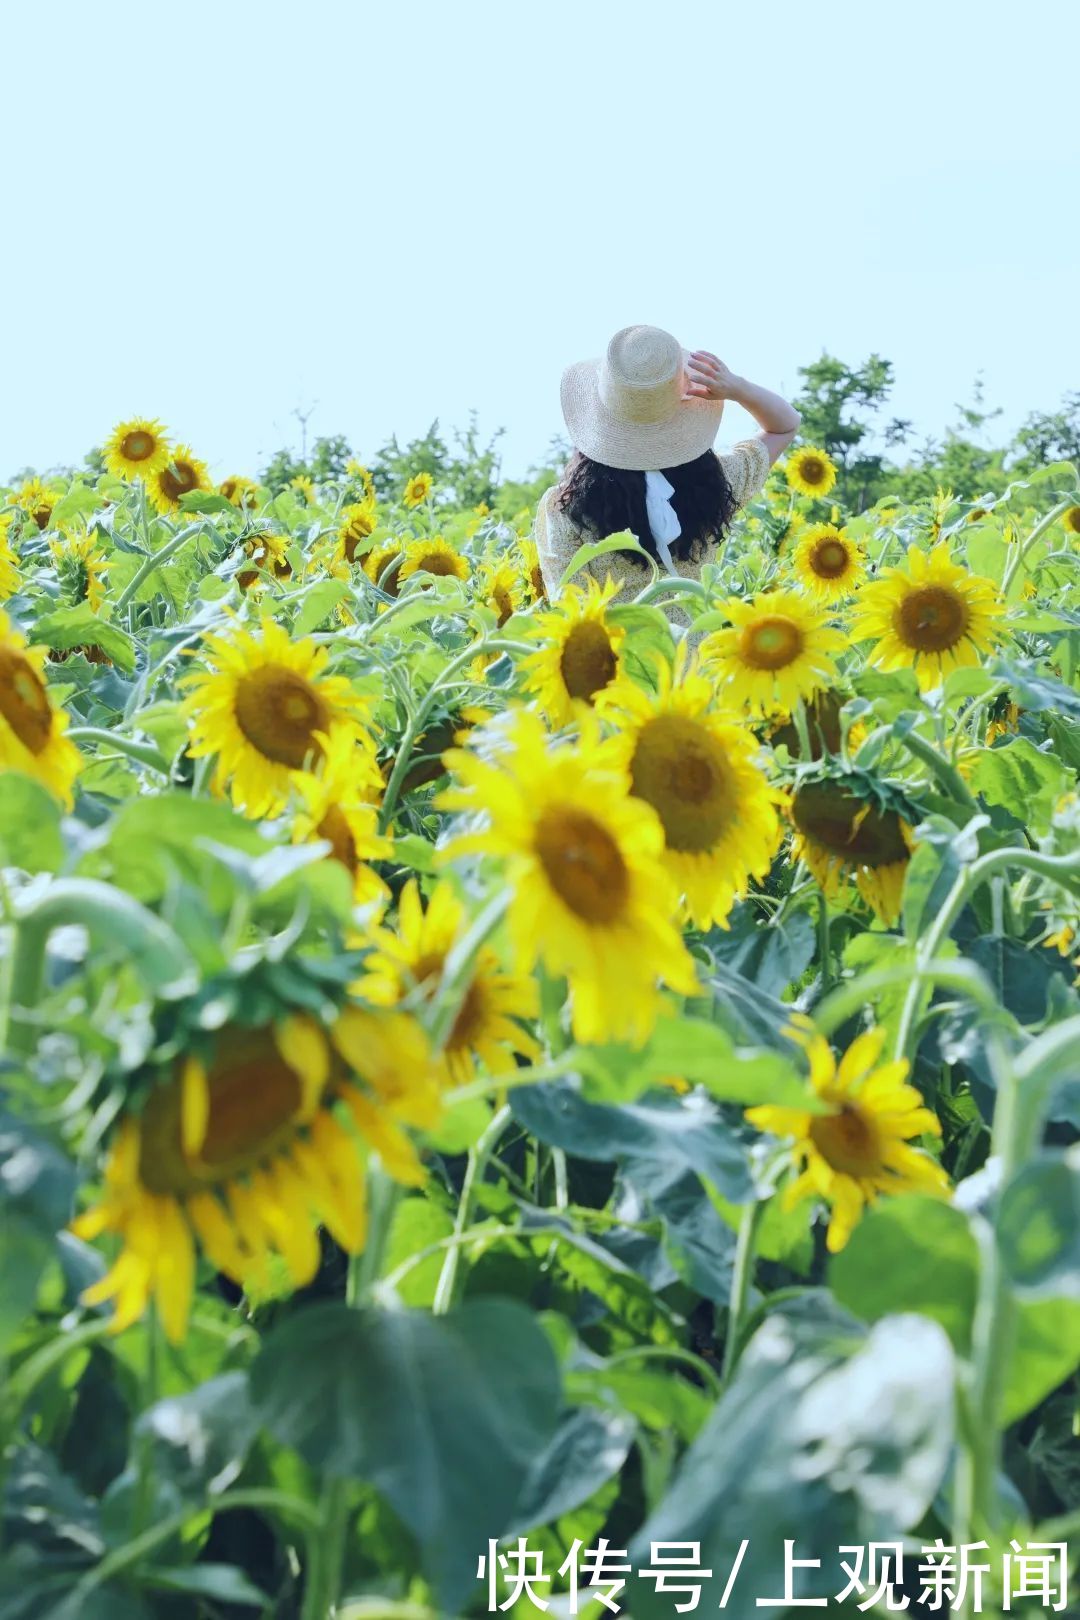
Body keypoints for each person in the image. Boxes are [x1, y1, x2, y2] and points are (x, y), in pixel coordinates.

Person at [533, 324, 801, 607]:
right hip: (701, 650)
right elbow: (785, 426)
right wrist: (737, 388)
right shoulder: (713, 484)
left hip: (621, 650)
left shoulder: (566, 507)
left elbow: (569, 607)